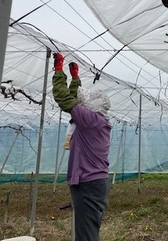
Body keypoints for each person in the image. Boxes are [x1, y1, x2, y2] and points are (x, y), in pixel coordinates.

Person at [52, 52, 112, 241]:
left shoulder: (90, 120)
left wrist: (59, 70)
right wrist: (75, 78)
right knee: (87, 231)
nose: (83, 105)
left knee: (86, 235)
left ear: (93, 107)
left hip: (88, 183)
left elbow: (64, 99)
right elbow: (77, 101)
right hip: (93, 183)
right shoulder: (97, 121)